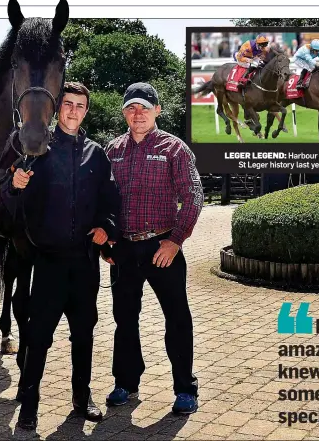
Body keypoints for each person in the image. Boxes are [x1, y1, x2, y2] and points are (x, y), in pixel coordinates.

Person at [1, 82, 120, 430]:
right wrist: (14, 186)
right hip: (49, 262)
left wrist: (106, 228)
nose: (72, 110)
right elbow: (13, 206)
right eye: (67, 104)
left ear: (86, 111)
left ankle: (82, 399)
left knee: (84, 334)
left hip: (84, 262)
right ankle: (29, 405)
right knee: (38, 337)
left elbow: (110, 202)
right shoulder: (37, 151)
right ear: (57, 109)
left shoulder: (96, 154)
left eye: (79, 105)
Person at [104, 83, 204, 414]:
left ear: (157, 110)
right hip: (124, 250)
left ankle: (184, 387)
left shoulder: (174, 148)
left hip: (162, 248)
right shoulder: (113, 150)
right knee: (124, 319)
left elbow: (193, 195)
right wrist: (106, 238)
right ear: (124, 113)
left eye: (145, 107)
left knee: (177, 318)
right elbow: (103, 199)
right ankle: (126, 382)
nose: (138, 113)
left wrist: (176, 240)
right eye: (132, 107)